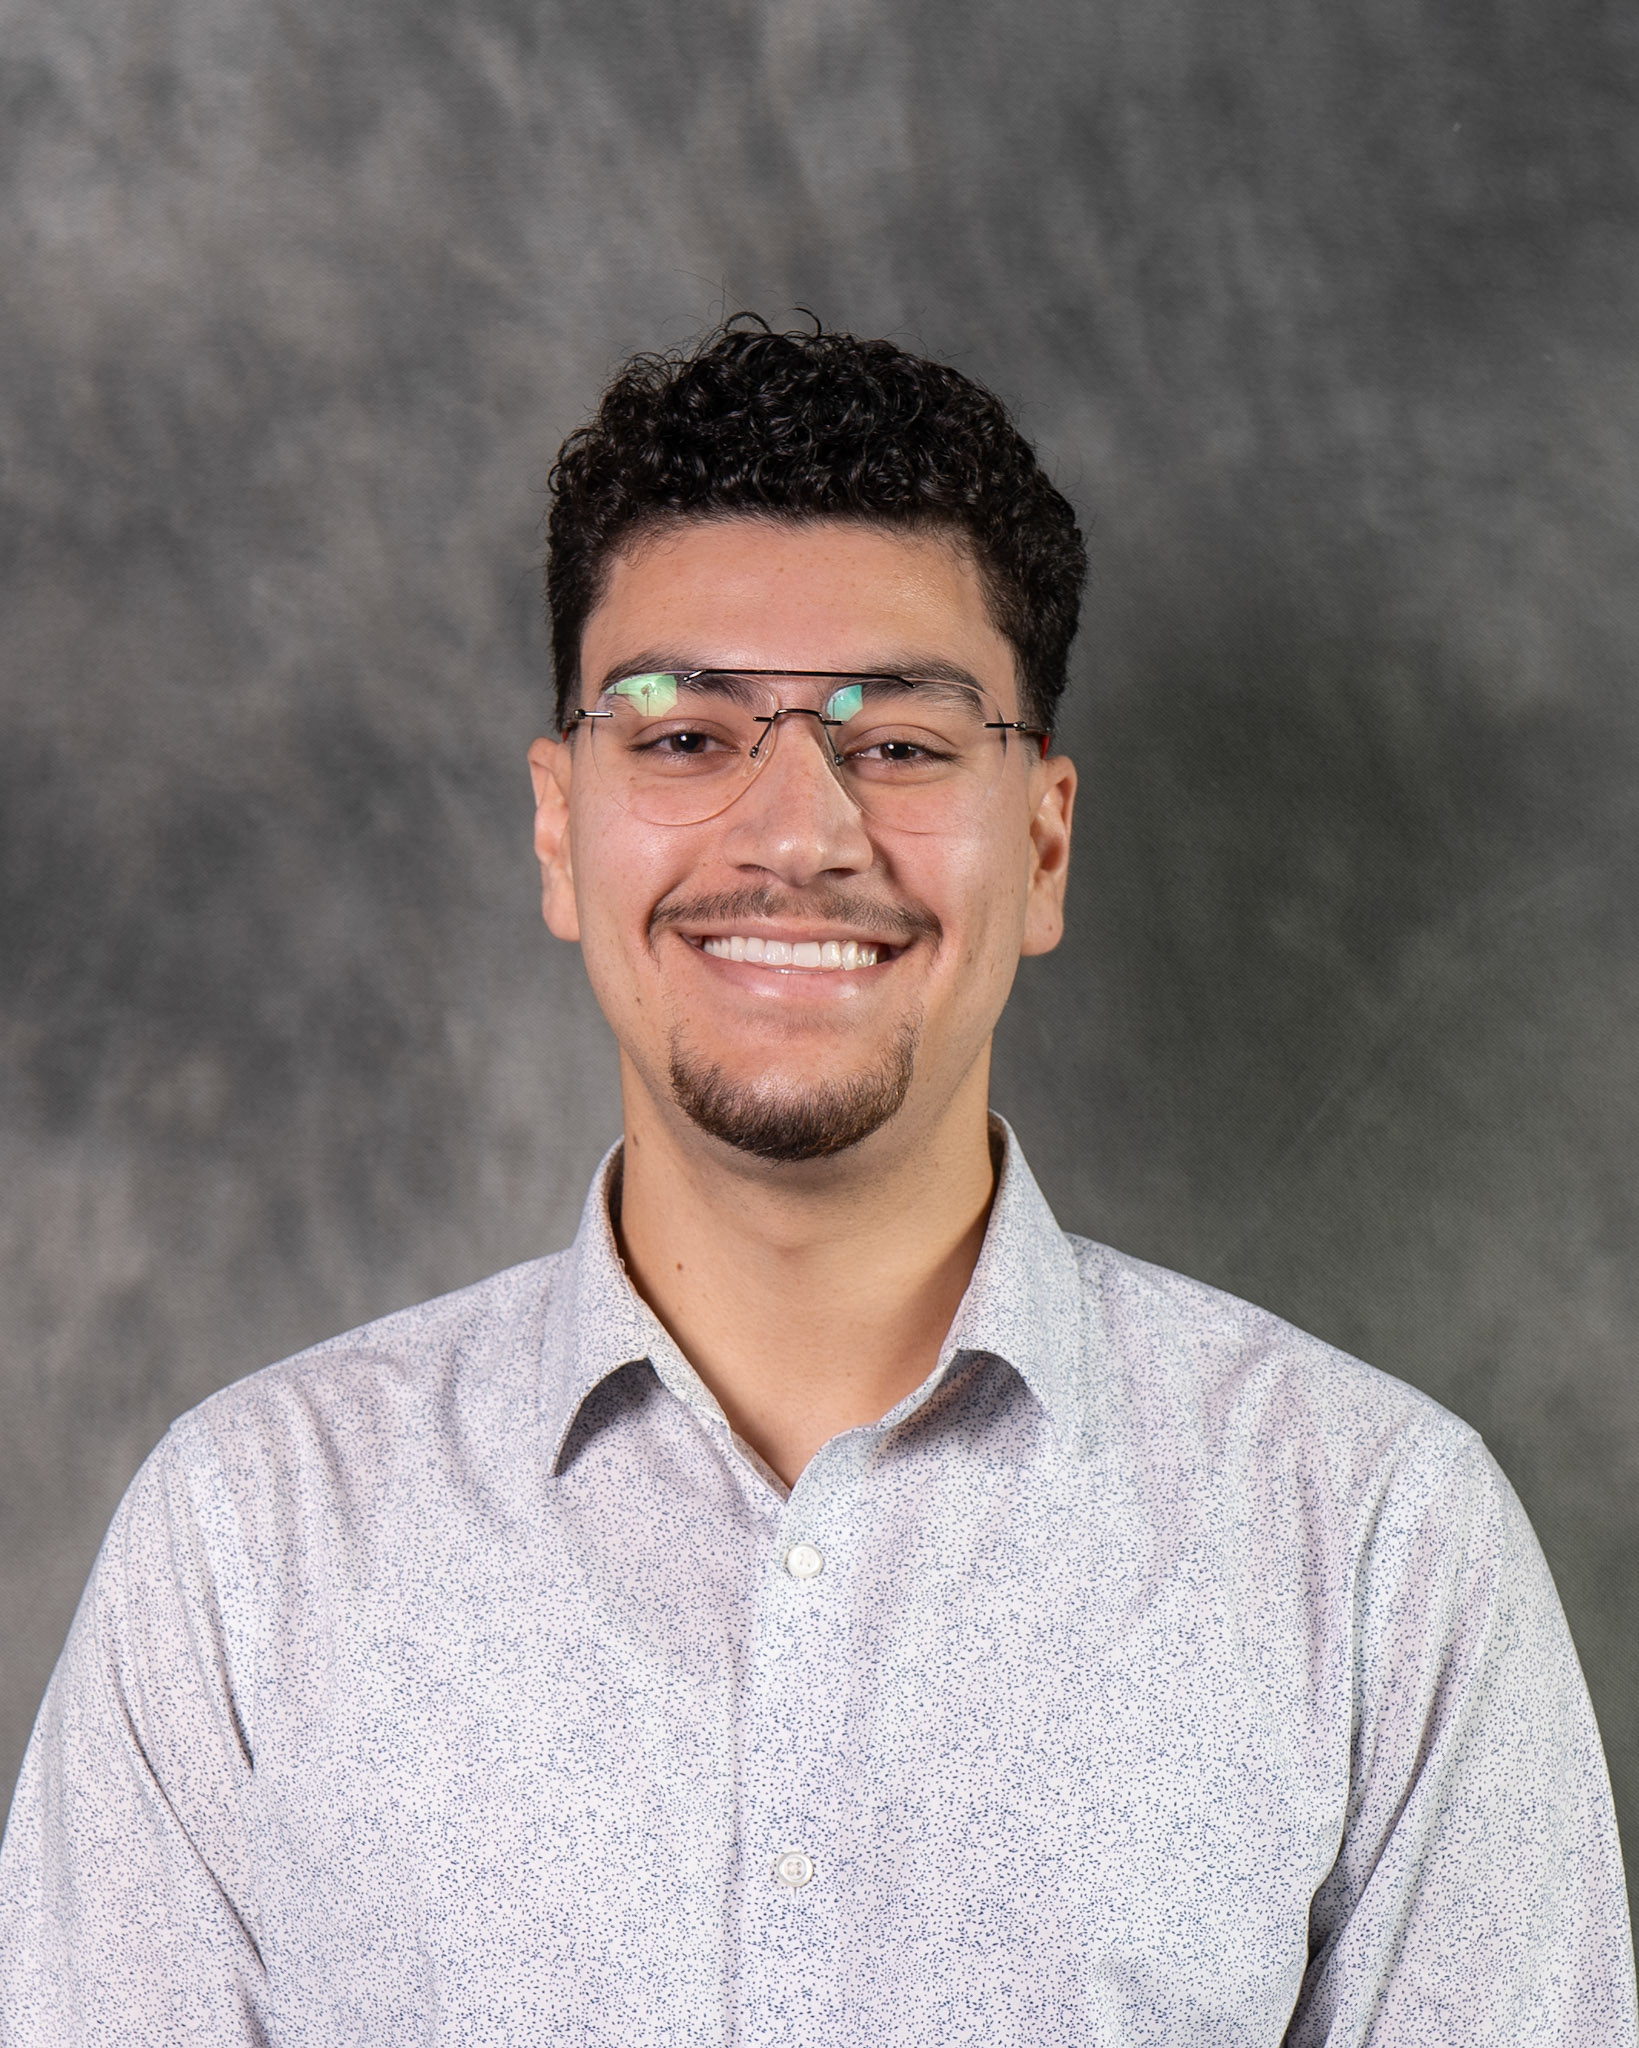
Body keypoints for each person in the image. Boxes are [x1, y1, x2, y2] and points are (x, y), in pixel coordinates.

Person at [0, 318, 1633, 2046]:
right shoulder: (248, 1541)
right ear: (560, 830)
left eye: (903, 743)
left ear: (1044, 842)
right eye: (683, 735)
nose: (797, 833)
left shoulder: (1377, 1546)